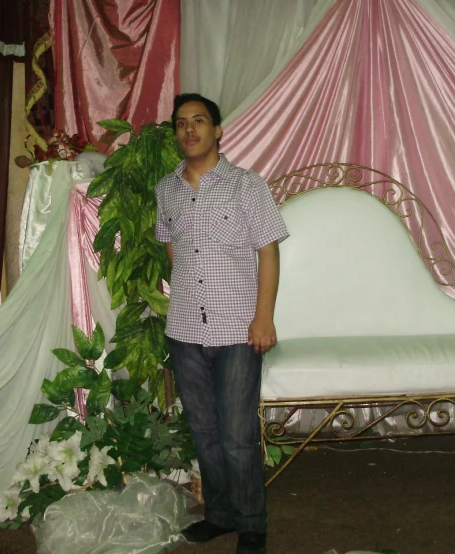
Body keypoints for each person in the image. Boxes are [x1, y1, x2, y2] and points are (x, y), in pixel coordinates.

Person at [155, 93, 288, 554]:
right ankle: (220, 515)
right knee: (204, 434)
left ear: (217, 131)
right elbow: (172, 247)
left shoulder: (247, 186)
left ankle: (252, 522)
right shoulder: (166, 190)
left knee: (236, 437)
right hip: (185, 329)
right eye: (180, 124)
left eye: (199, 121)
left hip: (236, 330)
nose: (189, 130)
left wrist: (263, 316)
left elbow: (267, 251)